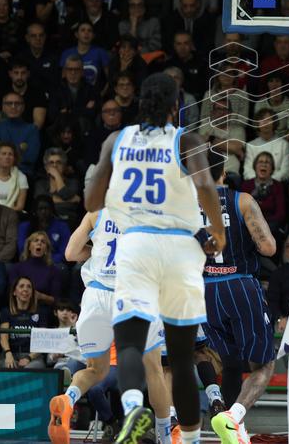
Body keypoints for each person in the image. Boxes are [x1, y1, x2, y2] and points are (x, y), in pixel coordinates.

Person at [85, 73, 226, 444]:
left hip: (136, 248)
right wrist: (219, 231)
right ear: (174, 107)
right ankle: (191, 439)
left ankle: (134, 409)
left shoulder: (118, 139)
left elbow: (91, 202)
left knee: (130, 344)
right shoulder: (186, 140)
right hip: (180, 250)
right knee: (180, 358)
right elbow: (207, 187)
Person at [47, 208, 170, 444]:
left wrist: (98, 252)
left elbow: (71, 253)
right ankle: (165, 437)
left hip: (96, 298)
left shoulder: (95, 214)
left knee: (95, 370)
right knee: (154, 369)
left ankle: (68, 399)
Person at [197, 152, 276, 444]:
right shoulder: (241, 200)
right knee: (264, 364)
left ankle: (232, 430)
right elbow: (268, 248)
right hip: (240, 284)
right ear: (224, 172)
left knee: (230, 362)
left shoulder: (186, 206)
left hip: (206, 290)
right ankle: (234, 416)